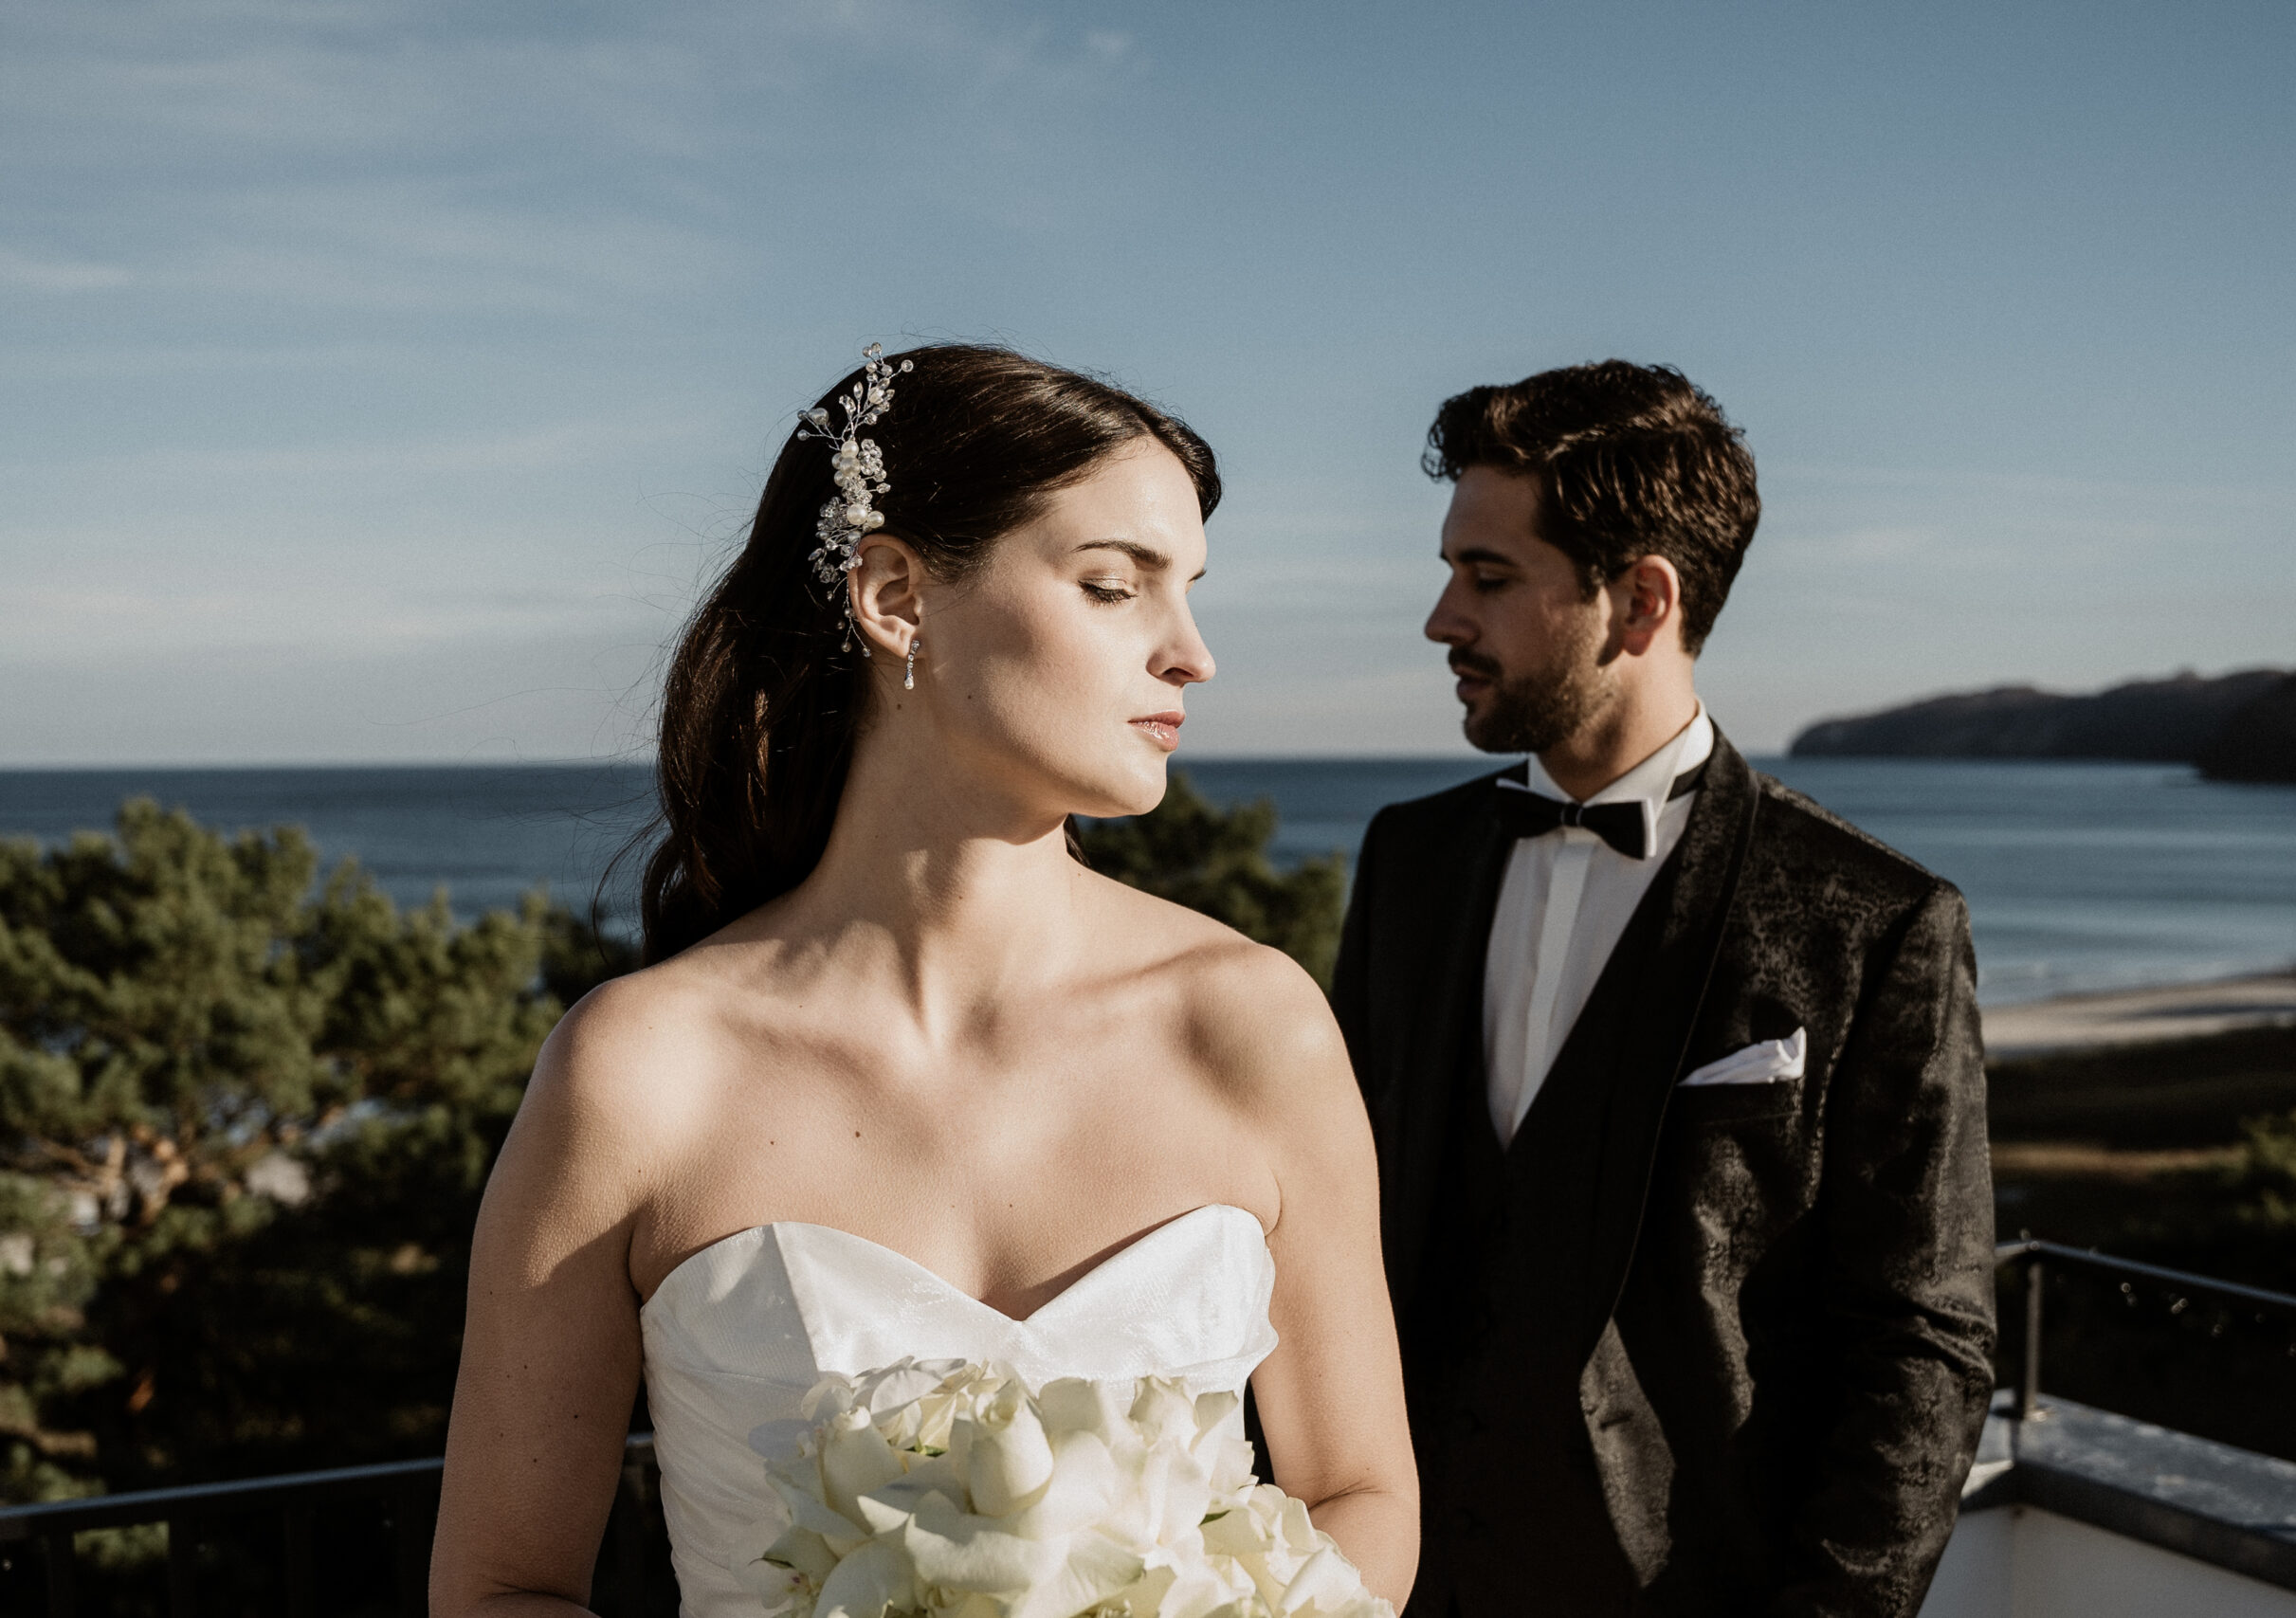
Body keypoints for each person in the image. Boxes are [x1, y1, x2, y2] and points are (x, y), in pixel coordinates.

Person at [430, 344, 1419, 1617]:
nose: (1192, 654)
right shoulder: (639, 1070)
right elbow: (504, 1584)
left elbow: (1360, 1491)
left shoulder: (1253, 1023)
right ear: (896, 594)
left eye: (1191, 593)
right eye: (1116, 587)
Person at [1331, 360, 1995, 1617]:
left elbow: (1923, 1341)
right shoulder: (1410, 861)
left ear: (1640, 602)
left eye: (1487, 578)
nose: (1439, 620)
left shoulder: (1877, 923)